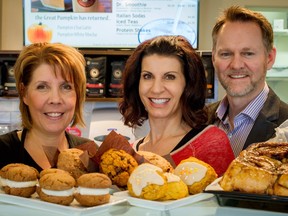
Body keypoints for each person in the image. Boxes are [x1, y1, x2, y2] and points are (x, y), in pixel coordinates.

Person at [119, 35, 234, 176]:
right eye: (148, 76)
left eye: (169, 77)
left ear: (188, 84)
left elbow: (227, 197)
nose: (156, 89)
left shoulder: (211, 143)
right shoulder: (129, 153)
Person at [207, 5, 288, 157]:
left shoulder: (286, 125)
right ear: (213, 58)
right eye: (226, 54)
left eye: (248, 53)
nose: (236, 65)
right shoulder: (198, 121)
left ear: (269, 58)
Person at [0, 43, 92, 171]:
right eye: (42, 87)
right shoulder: (3, 150)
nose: (55, 99)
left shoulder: (90, 154)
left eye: (66, 87)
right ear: (24, 93)